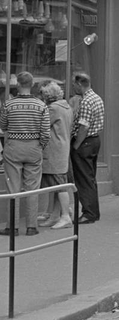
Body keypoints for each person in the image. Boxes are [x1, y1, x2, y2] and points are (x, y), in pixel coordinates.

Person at [1, 71, 49, 236]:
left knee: (12, 188)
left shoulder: (9, 104)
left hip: (14, 146)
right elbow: (45, 133)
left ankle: (12, 226)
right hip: (34, 147)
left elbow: (3, 126)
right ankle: (31, 226)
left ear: (18, 85)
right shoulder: (41, 105)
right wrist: (39, 146)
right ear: (32, 84)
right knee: (32, 188)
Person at [38, 81, 74, 229]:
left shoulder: (53, 109)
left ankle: (65, 215)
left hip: (54, 150)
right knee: (57, 184)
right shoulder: (66, 107)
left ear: (48, 96)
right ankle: (55, 215)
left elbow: (42, 125)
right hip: (63, 147)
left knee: (59, 185)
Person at [70, 71, 105, 224]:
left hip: (85, 142)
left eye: (74, 85)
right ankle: (93, 211)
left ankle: (88, 213)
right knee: (90, 177)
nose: (73, 88)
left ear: (79, 84)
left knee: (83, 179)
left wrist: (76, 145)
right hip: (95, 140)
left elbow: (83, 126)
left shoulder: (85, 101)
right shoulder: (96, 98)